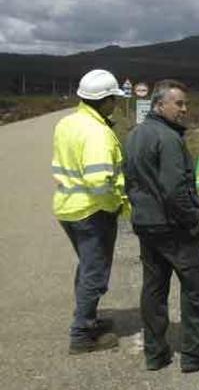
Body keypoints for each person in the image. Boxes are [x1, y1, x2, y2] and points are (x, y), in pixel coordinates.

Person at [124, 79, 199, 372]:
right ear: (160, 105)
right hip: (173, 227)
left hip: (146, 224)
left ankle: (155, 354)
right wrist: (191, 219)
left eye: (185, 103)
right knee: (195, 290)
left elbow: (131, 180)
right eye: (179, 104)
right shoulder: (169, 139)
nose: (185, 109)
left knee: (154, 289)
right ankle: (195, 355)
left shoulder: (134, 135)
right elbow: (175, 189)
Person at [52, 69, 129, 354]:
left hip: (68, 208)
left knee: (87, 267)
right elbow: (99, 182)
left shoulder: (68, 122)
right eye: (114, 99)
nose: (117, 104)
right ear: (105, 100)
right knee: (95, 273)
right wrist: (114, 204)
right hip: (92, 211)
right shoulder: (97, 133)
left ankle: (89, 318)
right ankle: (82, 335)